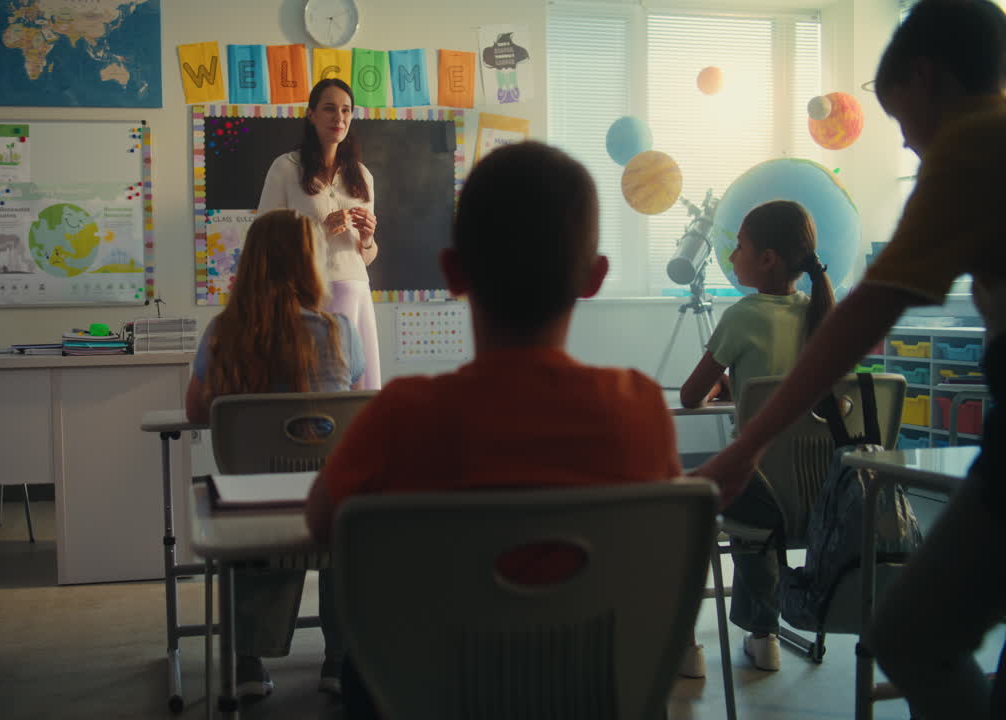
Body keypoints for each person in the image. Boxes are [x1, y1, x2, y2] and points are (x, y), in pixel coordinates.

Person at [694, 1, 1006, 716]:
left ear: (924, 77)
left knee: (910, 635)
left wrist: (747, 443)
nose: (913, 149)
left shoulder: (972, 146)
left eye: (901, 125)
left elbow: (865, 313)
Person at [304, 141, 682, 717]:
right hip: (587, 688)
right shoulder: (640, 409)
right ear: (594, 278)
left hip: (436, 689)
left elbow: (322, 524)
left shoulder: (401, 414)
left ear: (452, 272)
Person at [185, 209, 365, 701]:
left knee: (240, 510)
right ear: (311, 265)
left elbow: (198, 410)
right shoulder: (340, 331)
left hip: (252, 507)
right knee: (344, 531)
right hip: (329, 503)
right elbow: (358, 409)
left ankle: (247, 662)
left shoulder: (224, 332)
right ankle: (339, 659)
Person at [678, 200, 835, 674]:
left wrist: (723, 387)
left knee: (691, 503)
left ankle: (683, 644)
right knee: (751, 512)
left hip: (759, 490)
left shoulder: (743, 316)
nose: (731, 258)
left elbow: (689, 396)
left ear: (767, 258)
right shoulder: (822, 316)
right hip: (819, 494)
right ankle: (762, 635)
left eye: (739, 247)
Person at [257, 78, 382, 390]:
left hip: (356, 291)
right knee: (317, 389)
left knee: (358, 393)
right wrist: (319, 232)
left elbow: (365, 256)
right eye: (329, 109)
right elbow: (264, 242)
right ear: (311, 114)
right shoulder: (286, 168)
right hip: (310, 293)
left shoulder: (362, 175)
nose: (338, 118)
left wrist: (367, 240)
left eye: (345, 110)